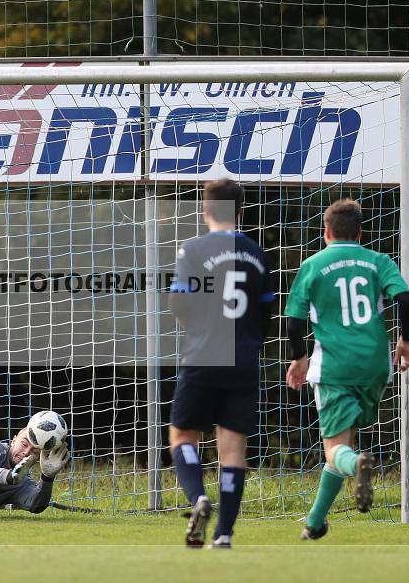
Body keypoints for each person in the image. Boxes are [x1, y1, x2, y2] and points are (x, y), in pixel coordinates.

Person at [284, 198, 409, 541]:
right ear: (360, 231)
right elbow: (405, 299)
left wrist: (299, 357)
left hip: (335, 366)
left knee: (337, 450)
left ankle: (356, 464)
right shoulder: (377, 261)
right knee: (342, 443)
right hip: (375, 364)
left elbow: (294, 321)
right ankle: (314, 523)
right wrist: (404, 340)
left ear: (326, 231)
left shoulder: (313, 264)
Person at [168, 178, 275, 549]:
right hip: (244, 359)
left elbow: (179, 305)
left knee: (182, 436)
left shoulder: (193, 249)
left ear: (205, 210)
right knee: (233, 451)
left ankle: (197, 497)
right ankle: (225, 534)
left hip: (203, 354)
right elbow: (266, 312)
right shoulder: (257, 253)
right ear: (241, 211)